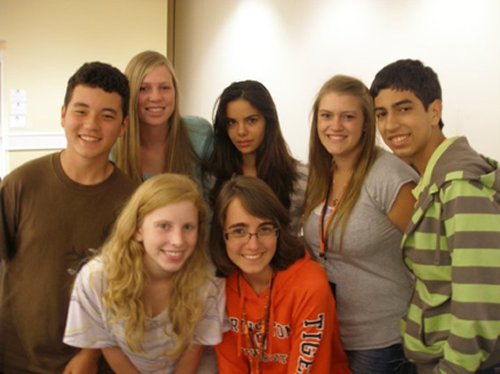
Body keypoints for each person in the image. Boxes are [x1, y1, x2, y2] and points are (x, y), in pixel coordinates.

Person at [0, 62, 136, 373]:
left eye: (107, 115)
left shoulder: (133, 202)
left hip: (90, 363)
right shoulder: (20, 184)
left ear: (123, 125)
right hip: (16, 357)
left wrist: (90, 353)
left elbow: (127, 292)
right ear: (63, 115)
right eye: (81, 111)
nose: (91, 124)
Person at [370, 59, 500, 374]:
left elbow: (478, 306)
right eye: (382, 114)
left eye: (404, 109)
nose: (390, 125)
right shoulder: (433, 180)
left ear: (434, 111)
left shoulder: (460, 186)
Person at [301, 75, 419, 373]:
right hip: (334, 333)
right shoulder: (322, 171)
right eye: (326, 116)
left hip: (382, 341)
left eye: (348, 117)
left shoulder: (388, 175)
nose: (335, 126)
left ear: (366, 123)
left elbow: (434, 254)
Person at [64, 173, 226, 373]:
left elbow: (194, 349)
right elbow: (108, 343)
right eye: (163, 226)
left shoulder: (208, 281)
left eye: (188, 227)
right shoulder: (96, 278)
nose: (178, 240)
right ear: (138, 229)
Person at [210, 176, 351, 373]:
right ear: (222, 235)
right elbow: (231, 367)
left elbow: (307, 369)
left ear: (279, 231)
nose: (253, 244)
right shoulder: (219, 286)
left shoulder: (309, 284)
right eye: (239, 231)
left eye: (264, 229)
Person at [206, 80, 307, 234]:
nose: (241, 131)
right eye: (232, 122)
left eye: (251, 120)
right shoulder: (212, 177)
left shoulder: (300, 177)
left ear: (268, 122)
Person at [112, 50, 213, 185]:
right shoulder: (112, 146)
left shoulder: (199, 134)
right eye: (143, 88)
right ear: (130, 94)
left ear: (175, 91)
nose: (156, 97)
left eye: (164, 87)